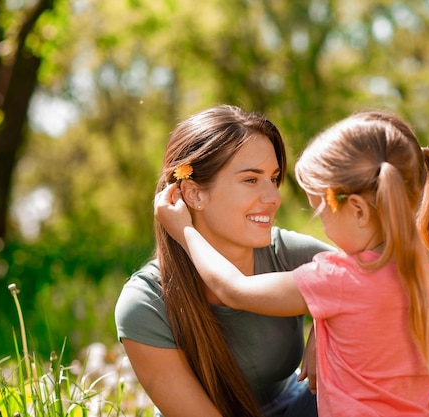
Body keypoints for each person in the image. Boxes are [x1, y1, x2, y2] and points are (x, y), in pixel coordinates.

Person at [154, 110, 429, 416]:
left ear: (358, 211)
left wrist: (184, 231)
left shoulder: (338, 277)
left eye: (321, 210)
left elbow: (234, 290)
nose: (322, 224)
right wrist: (408, 374)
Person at [115, 104, 336, 417]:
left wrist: (328, 321)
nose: (273, 197)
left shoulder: (289, 254)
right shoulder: (145, 304)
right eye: (250, 180)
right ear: (194, 194)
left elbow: (380, 277)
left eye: (273, 179)